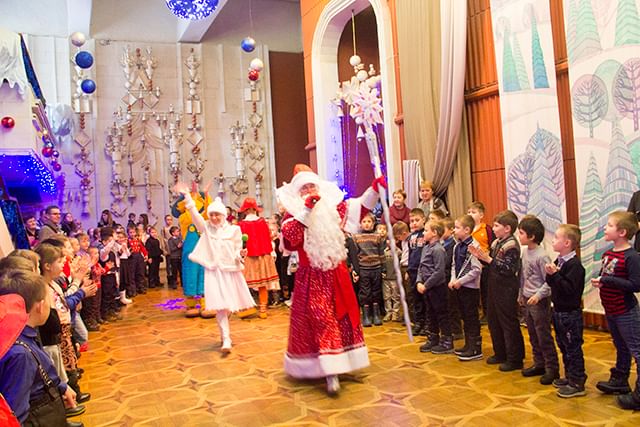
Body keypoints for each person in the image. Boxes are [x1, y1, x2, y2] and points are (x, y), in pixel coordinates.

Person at [276, 164, 383, 394]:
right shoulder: (292, 214)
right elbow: (291, 238)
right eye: (304, 188)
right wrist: (305, 209)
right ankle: (329, 371)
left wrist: (375, 189)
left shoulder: (334, 208)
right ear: (298, 192)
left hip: (337, 274)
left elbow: (359, 207)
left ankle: (341, 363)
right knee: (320, 316)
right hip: (311, 278)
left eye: (312, 186)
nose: (310, 191)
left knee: (341, 317)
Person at [176, 184, 255, 353]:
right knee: (220, 306)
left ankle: (224, 330)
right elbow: (194, 214)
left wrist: (241, 254)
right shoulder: (205, 228)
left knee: (228, 307)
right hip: (213, 272)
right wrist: (187, 196)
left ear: (224, 215)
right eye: (211, 214)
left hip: (230, 272)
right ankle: (226, 338)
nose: (214, 217)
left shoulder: (235, 230)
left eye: (217, 214)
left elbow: (237, 251)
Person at [0, 272, 79, 426]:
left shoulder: (24, 334)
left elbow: (42, 369)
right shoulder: (20, 353)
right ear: (41, 306)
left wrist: (61, 387)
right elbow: (16, 414)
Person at [591, 211, 640, 410]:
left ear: (622, 232)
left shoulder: (632, 257)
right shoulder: (608, 254)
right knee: (621, 347)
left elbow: (636, 285)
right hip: (611, 310)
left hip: (625, 312)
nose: (605, 228)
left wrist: (607, 281)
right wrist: (603, 283)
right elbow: (609, 277)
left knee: (637, 350)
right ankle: (620, 379)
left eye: (610, 225)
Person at [469, 210, 525, 372]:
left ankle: (515, 358)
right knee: (494, 321)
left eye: (496, 225)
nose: (493, 228)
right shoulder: (496, 243)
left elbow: (508, 268)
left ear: (507, 228)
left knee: (508, 322)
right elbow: (491, 264)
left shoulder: (511, 245)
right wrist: (481, 257)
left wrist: (488, 259)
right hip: (494, 285)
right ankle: (500, 353)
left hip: (506, 288)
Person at [544, 224, 587, 398]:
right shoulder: (559, 261)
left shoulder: (575, 265)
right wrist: (551, 274)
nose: (553, 240)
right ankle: (569, 376)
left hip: (570, 313)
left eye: (556, 238)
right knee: (563, 345)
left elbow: (569, 289)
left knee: (573, 347)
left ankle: (577, 382)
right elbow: (552, 282)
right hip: (558, 311)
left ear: (567, 243)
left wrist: (554, 275)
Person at [517, 216, 559, 385]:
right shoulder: (525, 252)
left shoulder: (542, 256)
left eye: (521, 233)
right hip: (527, 298)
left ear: (532, 236)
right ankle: (539, 363)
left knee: (543, 335)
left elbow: (548, 282)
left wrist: (538, 296)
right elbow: (523, 276)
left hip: (538, 301)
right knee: (533, 334)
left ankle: (552, 368)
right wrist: (521, 294)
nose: (518, 236)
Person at [238, 197, 280, 319]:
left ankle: (247, 307)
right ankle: (263, 309)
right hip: (263, 255)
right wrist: (271, 253)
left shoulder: (242, 225)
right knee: (262, 284)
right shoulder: (262, 222)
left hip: (248, 256)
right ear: (255, 209)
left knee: (244, 283)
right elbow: (267, 238)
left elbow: (239, 241)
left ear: (245, 210)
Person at [449, 215, 483, 361]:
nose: (454, 230)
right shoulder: (457, 246)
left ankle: (475, 347)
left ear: (467, 230)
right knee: (464, 316)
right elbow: (453, 266)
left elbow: (476, 269)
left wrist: (461, 281)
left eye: (457, 228)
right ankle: (468, 344)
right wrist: (453, 279)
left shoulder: (474, 246)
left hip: (470, 288)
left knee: (471, 317)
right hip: (459, 286)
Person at [416, 220, 451, 354]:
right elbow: (421, 266)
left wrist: (426, 284)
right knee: (430, 313)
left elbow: (439, 272)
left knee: (441, 314)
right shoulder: (426, 247)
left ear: (435, 233)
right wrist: (419, 281)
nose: (423, 233)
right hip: (426, 287)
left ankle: (447, 341)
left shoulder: (438, 249)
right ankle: (433, 338)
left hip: (436, 288)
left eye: (426, 230)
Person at [352, 212, 385, 326]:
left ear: (373, 223)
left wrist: (383, 269)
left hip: (376, 268)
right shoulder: (356, 237)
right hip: (363, 269)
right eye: (364, 222)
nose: (366, 224)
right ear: (360, 224)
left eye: (369, 221)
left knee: (376, 291)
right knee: (365, 292)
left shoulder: (377, 237)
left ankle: (376, 314)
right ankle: (366, 315)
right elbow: (355, 255)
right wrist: (355, 270)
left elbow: (382, 254)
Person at [468, 201, 494, 321]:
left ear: (481, 215)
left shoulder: (487, 229)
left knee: (485, 290)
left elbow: (491, 245)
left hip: (484, 265)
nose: (470, 214)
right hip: (470, 265)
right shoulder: (467, 229)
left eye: (473, 212)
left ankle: (487, 313)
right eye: (469, 212)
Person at [407, 208, 427, 335]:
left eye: (417, 220)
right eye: (412, 221)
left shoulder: (426, 234)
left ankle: (427, 323)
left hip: (423, 271)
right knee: (416, 298)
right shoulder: (411, 236)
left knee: (424, 298)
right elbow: (410, 253)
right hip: (412, 270)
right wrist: (408, 269)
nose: (414, 223)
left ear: (423, 220)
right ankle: (419, 322)